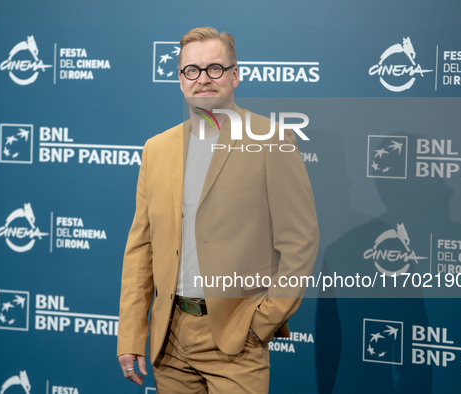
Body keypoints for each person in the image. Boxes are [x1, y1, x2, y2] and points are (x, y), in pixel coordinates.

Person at [117, 26, 319, 393]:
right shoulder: (157, 149)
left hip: (235, 339)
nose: (203, 79)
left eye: (215, 68)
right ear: (180, 80)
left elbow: (300, 243)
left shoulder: (272, 140)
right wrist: (132, 334)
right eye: (191, 70)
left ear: (235, 75)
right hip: (170, 340)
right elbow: (141, 250)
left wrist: (262, 321)